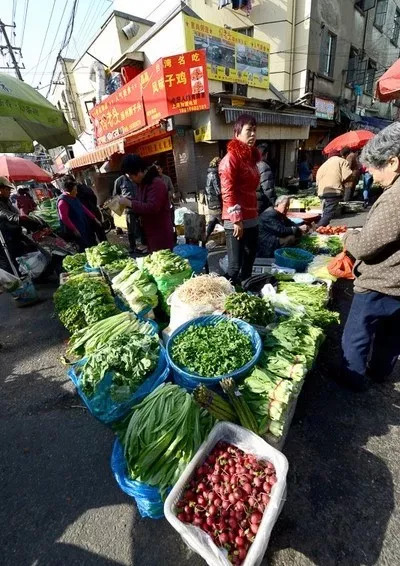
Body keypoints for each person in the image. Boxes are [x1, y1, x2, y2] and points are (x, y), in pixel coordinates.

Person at [340, 122, 400, 392]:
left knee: (357, 335)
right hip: (396, 282)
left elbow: (365, 247)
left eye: (375, 168)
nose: (372, 176)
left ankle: (352, 377)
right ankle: (378, 372)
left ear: (393, 162)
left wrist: (347, 238)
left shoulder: (395, 198)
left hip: (380, 281)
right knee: (391, 333)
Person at [219, 114, 260, 284]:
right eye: (248, 130)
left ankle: (244, 295)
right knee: (234, 267)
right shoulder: (231, 159)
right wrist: (236, 219)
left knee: (248, 263)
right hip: (236, 220)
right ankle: (224, 299)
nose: (253, 134)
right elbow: (227, 191)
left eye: (255, 130)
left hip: (252, 218)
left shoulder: (251, 160)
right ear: (237, 134)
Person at [117, 154, 174, 253]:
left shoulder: (156, 183)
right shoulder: (143, 184)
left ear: (139, 171)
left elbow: (152, 207)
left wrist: (130, 203)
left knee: (164, 263)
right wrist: (129, 200)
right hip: (151, 232)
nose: (131, 179)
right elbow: (142, 202)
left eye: (131, 176)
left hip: (160, 233)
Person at [0, 177, 41, 272]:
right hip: (5, 241)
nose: (9, 191)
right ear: (0, 190)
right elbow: (10, 216)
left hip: (16, 235)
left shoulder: (7, 201)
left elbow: (17, 214)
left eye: (9, 189)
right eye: (7, 189)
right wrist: (21, 219)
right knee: (11, 266)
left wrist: (34, 222)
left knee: (33, 248)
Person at [57, 178, 99, 252]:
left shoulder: (73, 197)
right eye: (75, 190)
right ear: (68, 191)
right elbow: (64, 218)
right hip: (76, 228)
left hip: (83, 224)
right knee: (84, 247)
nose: (76, 192)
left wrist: (94, 218)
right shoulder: (63, 202)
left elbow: (83, 208)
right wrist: (74, 230)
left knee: (91, 242)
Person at [63, 175, 107, 243]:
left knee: (92, 239)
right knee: (101, 236)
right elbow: (94, 198)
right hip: (94, 212)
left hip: (86, 218)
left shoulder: (72, 193)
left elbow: (65, 217)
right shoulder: (84, 186)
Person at [316, 151, 353, 227]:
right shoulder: (342, 161)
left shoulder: (324, 164)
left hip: (322, 191)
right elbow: (347, 175)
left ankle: (322, 228)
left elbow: (317, 180)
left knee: (325, 212)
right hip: (334, 190)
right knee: (328, 213)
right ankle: (318, 228)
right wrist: (343, 181)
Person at [113, 169, 141, 253]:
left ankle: (143, 244)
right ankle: (133, 247)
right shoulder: (119, 180)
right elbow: (115, 195)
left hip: (139, 205)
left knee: (142, 226)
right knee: (131, 228)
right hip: (128, 208)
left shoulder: (137, 177)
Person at [204, 157, 222, 242]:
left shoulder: (209, 173)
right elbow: (218, 190)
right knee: (225, 223)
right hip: (217, 203)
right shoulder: (214, 174)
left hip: (211, 203)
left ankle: (204, 241)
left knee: (211, 224)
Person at [256, 143, 276, 213]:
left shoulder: (251, 164)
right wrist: (274, 206)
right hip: (262, 205)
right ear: (266, 154)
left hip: (252, 204)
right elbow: (268, 189)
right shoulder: (263, 166)